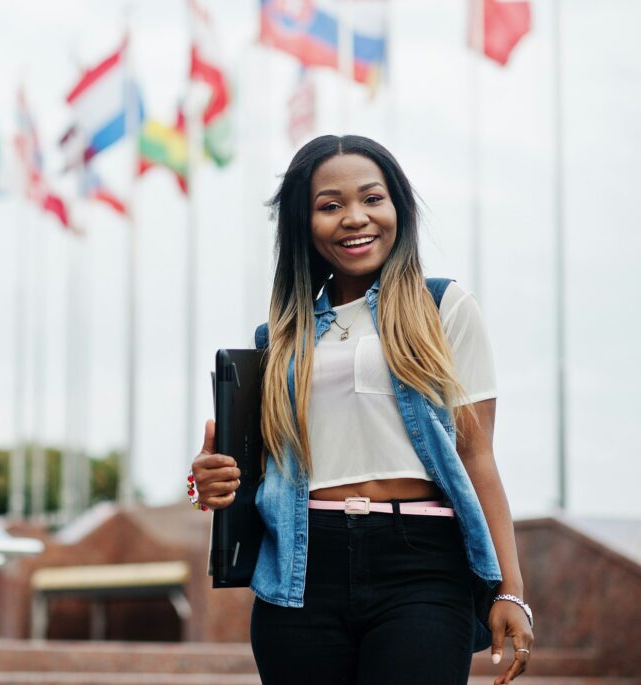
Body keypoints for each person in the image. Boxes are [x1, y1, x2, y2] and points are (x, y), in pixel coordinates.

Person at [190, 135, 533, 685]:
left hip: (422, 565)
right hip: (301, 568)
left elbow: (476, 455)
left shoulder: (442, 308)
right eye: (330, 206)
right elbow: (255, 472)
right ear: (304, 223)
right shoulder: (277, 339)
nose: (355, 218)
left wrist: (509, 588)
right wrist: (206, 483)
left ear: (397, 207)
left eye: (372, 199)